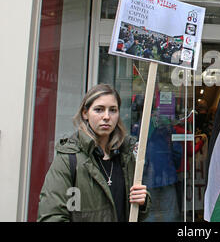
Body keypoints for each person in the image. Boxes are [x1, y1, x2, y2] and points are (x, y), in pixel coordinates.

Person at [38, 84, 150, 222]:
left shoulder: (125, 156)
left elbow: (132, 213)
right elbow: (51, 216)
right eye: (99, 110)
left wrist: (142, 202)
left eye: (113, 110)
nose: (107, 117)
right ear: (85, 113)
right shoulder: (69, 158)